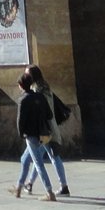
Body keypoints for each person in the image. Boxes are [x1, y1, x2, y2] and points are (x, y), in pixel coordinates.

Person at [20, 65, 71, 197]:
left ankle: (38, 187)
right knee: (48, 156)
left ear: (32, 77)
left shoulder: (36, 91)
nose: (25, 76)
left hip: (41, 129)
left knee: (31, 158)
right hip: (49, 127)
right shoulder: (46, 87)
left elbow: (40, 111)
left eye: (26, 74)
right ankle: (31, 183)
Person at [11, 68, 61, 201]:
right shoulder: (39, 96)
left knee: (38, 164)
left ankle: (50, 193)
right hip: (43, 134)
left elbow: (20, 121)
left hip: (31, 135)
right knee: (25, 160)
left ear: (21, 86)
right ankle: (19, 188)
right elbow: (49, 114)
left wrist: (22, 134)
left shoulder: (23, 99)